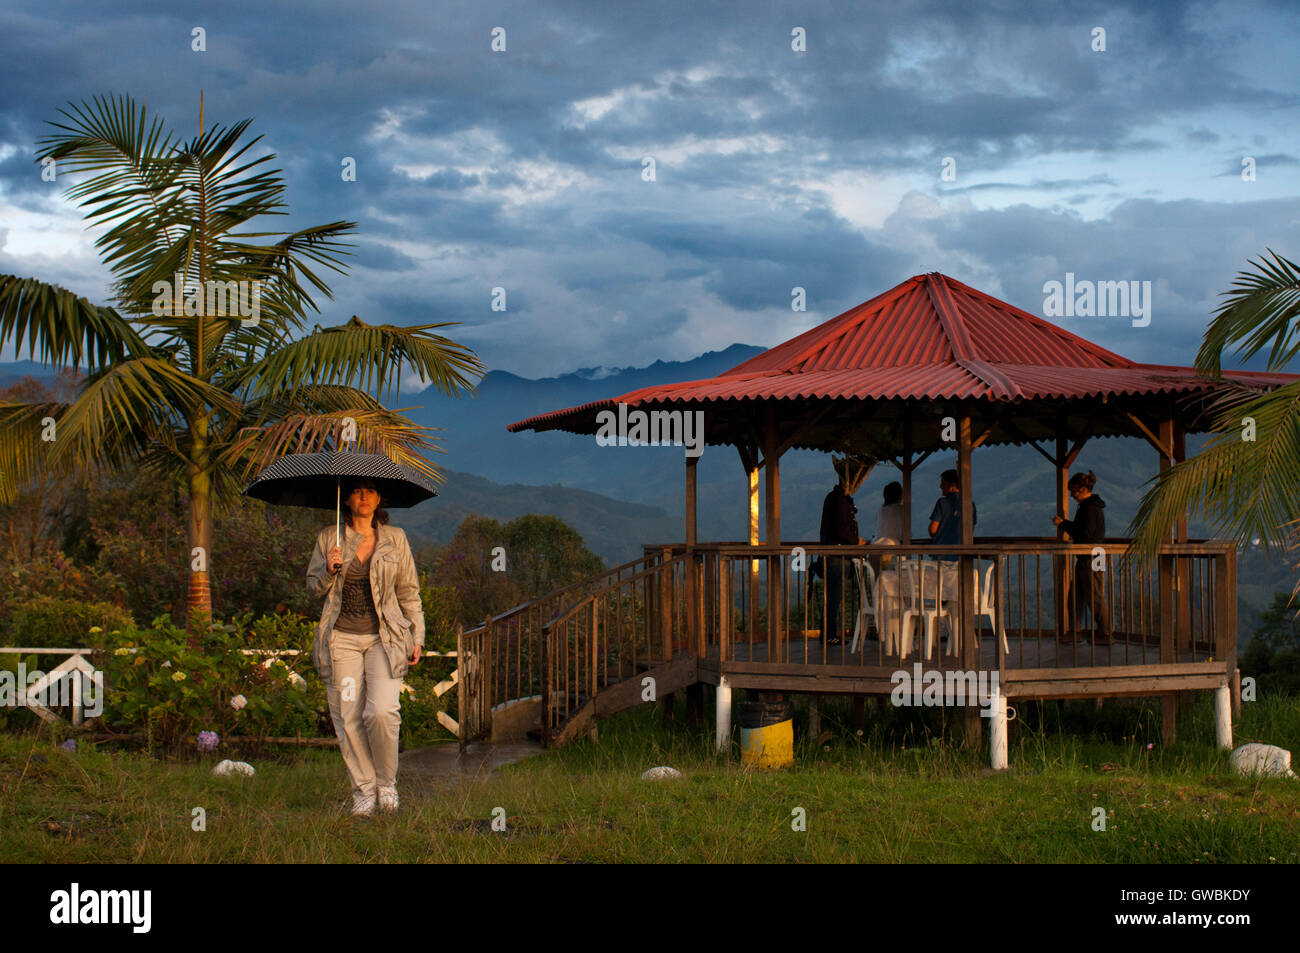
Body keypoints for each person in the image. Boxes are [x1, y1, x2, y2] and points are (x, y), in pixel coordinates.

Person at [306, 478, 424, 817]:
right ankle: (363, 789)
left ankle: (387, 784)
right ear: (348, 498)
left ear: (378, 498)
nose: (363, 497)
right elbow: (312, 589)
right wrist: (329, 570)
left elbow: (409, 592)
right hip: (341, 639)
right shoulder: (330, 538)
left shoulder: (395, 538)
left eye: (370, 491)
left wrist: (417, 635)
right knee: (347, 715)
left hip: (384, 640)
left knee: (382, 712)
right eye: (357, 491)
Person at [1052, 470, 1111, 645]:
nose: (1072, 494)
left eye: (1074, 491)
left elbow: (1085, 533)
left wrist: (1063, 524)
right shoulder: (1089, 507)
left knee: (1095, 596)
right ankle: (1075, 631)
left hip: (1091, 556)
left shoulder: (1089, 508)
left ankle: (1105, 634)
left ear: (1084, 489)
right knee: (1075, 596)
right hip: (1090, 557)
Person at [819, 477, 862, 645]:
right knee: (833, 598)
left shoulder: (833, 498)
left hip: (832, 555)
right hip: (838, 556)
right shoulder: (840, 501)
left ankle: (829, 633)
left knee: (832, 597)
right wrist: (855, 541)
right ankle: (829, 634)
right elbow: (840, 529)